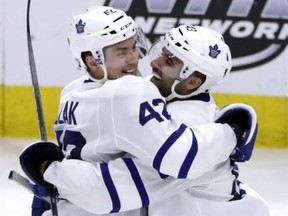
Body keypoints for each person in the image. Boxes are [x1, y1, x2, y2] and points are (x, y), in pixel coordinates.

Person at [19, 6, 264, 216]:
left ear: (191, 82)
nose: (150, 62)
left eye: (169, 61)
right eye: (162, 53)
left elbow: (112, 189)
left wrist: (52, 172)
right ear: (92, 61)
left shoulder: (188, 123)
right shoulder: (132, 94)